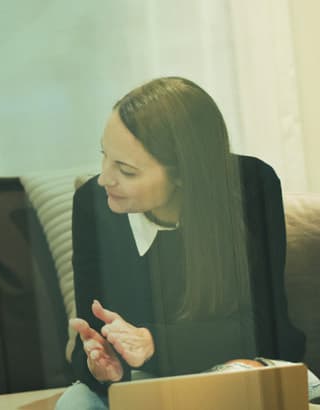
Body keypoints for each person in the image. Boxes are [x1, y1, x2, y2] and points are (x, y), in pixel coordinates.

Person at [56, 77, 307, 409]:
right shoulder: (92, 203)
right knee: (76, 403)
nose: (104, 178)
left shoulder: (251, 185)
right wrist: (101, 368)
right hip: (143, 380)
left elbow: (266, 327)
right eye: (104, 155)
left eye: (126, 170)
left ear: (183, 175)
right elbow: (89, 338)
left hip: (237, 369)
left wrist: (154, 343)